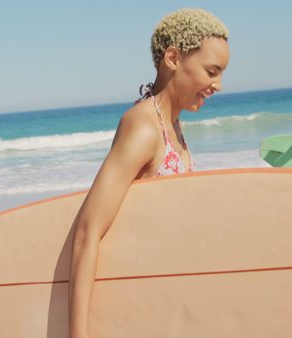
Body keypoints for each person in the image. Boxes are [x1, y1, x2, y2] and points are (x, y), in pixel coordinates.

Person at [67, 8, 230, 338]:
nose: (218, 85)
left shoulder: (170, 123)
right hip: (135, 305)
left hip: (163, 303)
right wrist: (78, 333)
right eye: (212, 71)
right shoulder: (143, 128)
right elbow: (87, 231)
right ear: (173, 57)